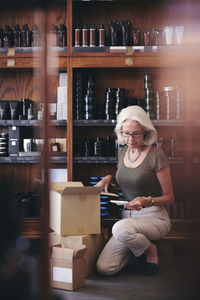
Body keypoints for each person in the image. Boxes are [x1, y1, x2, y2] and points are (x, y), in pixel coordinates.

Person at [95, 105, 174, 276]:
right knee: (105, 268)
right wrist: (110, 177)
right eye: (126, 133)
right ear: (120, 132)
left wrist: (147, 200)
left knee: (120, 229)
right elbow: (130, 181)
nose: (130, 138)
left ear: (145, 132)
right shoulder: (122, 152)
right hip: (127, 221)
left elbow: (170, 197)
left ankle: (150, 250)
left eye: (135, 133)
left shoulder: (156, 155)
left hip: (153, 216)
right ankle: (136, 249)